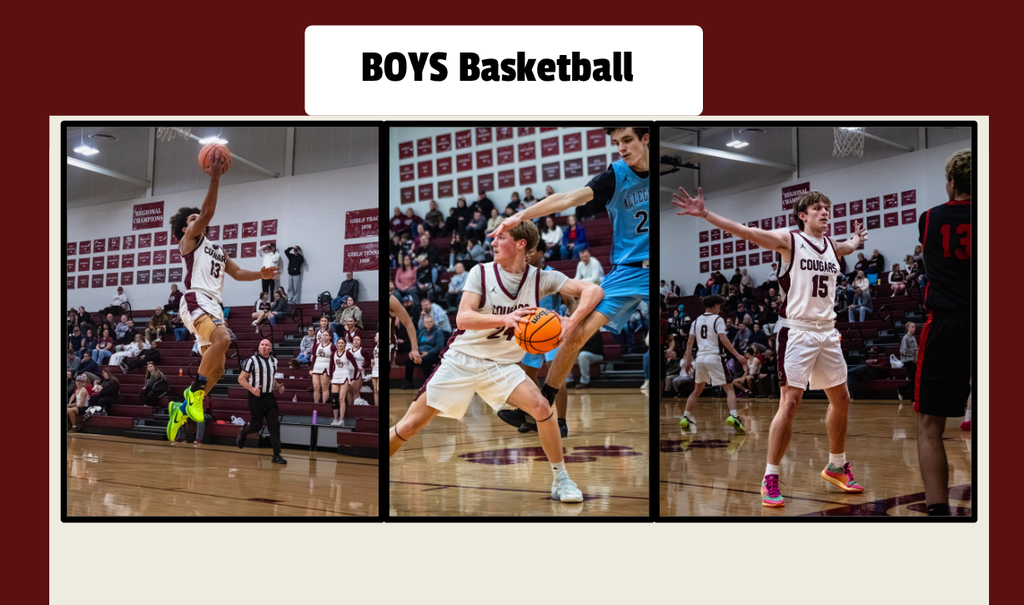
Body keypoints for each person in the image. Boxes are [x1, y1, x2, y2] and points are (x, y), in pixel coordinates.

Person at [674, 185, 868, 508]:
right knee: (790, 403)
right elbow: (747, 232)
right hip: (797, 333)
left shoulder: (832, 246)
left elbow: (848, 246)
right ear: (803, 215)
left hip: (828, 332)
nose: (825, 212)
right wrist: (705, 214)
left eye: (827, 208)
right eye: (818, 208)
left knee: (842, 398)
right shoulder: (789, 241)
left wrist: (858, 239)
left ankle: (836, 465)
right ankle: (770, 475)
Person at [390, 220, 603, 503]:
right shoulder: (481, 272)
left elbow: (594, 291)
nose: (491, 243)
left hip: (501, 365)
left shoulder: (541, 278)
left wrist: (570, 322)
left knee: (541, 405)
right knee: (409, 426)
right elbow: (463, 317)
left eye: (500, 237)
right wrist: (506, 318)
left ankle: (561, 479)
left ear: (520, 244)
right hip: (462, 360)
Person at [487, 128, 650, 420]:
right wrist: (521, 215)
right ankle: (539, 404)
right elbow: (567, 199)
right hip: (627, 271)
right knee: (573, 334)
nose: (621, 148)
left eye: (627, 140)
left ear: (646, 138)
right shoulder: (615, 175)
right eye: (616, 143)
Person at [166, 152, 279, 443]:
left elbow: (239, 273)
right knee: (224, 339)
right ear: (184, 228)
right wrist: (214, 177)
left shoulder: (216, 249)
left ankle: (180, 408)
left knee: (219, 365)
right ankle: (194, 394)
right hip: (195, 298)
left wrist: (262, 275)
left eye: (196, 218)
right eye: (191, 219)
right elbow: (205, 215)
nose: (197, 220)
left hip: (213, 304)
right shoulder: (188, 241)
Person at [915, 148, 973, 516]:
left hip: (947, 324)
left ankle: (937, 512)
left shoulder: (929, 218)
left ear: (951, 183)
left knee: (929, 426)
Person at [679, 295, 747, 432]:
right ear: (716, 306)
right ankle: (733, 416)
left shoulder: (696, 321)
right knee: (729, 390)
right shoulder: (718, 319)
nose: (720, 309)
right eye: (719, 307)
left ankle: (686, 417)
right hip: (714, 357)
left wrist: (688, 361)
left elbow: (690, 342)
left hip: (699, 358)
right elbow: (723, 338)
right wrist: (737, 355)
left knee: (697, 390)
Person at [236, 339, 287, 464]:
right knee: (256, 426)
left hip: (269, 397)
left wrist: (278, 386)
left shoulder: (274, 361)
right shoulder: (251, 361)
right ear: (259, 347)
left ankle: (276, 455)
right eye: (262, 345)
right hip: (255, 397)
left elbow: (271, 378)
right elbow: (241, 379)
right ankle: (243, 432)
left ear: (270, 348)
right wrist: (252, 389)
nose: (264, 347)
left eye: (267, 345)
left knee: (274, 425)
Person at [330, 337, 354, 426]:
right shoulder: (333, 354)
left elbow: (355, 366)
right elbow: (330, 366)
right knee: (334, 399)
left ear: (345, 344)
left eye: (342, 343)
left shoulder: (348, 353)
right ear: (336, 344)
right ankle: (335, 419)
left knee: (341, 399)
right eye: (338, 343)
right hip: (336, 376)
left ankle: (341, 420)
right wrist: (331, 378)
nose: (340, 344)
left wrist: (353, 378)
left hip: (344, 376)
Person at [310, 331, 335, 406]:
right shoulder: (317, 345)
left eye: (326, 335)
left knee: (325, 387)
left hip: (326, 367)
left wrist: (332, 371)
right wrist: (311, 369)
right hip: (316, 367)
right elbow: (314, 358)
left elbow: (334, 359)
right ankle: (316, 405)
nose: (324, 336)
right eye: (323, 335)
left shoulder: (332, 346)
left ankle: (324, 405)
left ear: (330, 337)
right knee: (316, 387)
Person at [897, 321, 918, 403]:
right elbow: (904, 351)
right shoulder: (905, 338)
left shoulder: (913, 338)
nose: (914, 328)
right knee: (914, 378)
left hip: (913, 360)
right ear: (908, 328)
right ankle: (913, 398)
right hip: (907, 360)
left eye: (915, 327)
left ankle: (902, 390)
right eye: (912, 327)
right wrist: (914, 350)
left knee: (915, 379)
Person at [371, 332, 380, 406]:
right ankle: (376, 406)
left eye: (376, 336)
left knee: (378, 389)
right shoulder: (376, 346)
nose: (375, 337)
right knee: (375, 390)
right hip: (374, 368)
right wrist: (372, 361)